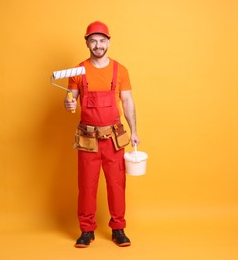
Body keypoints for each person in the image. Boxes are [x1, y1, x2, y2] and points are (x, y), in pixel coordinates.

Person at [64, 21, 140, 248]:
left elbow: (127, 101)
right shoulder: (78, 70)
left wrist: (134, 131)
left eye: (102, 40)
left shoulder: (121, 70)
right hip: (88, 139)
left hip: (115, 138)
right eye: (93, 40)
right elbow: (70, 98)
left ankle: (118, 228)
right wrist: (68, 104)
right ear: (87, 42)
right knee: (87, 186)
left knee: (117, 184)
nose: (98, 45)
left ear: (108, 42)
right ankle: (86, 231)